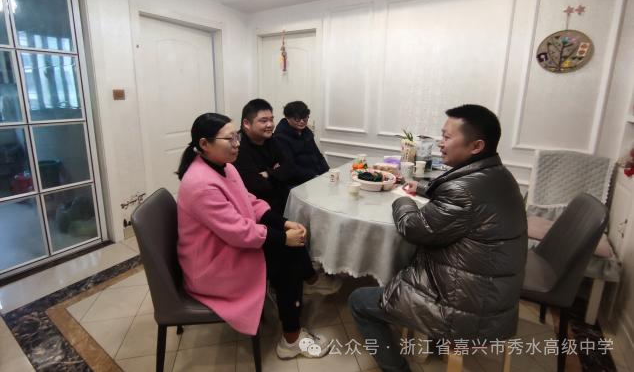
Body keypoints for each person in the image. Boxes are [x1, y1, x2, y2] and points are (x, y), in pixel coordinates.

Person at [348, 104, 528, 372]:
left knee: (359, 301)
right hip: (490, 295)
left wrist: (403, 200)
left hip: (463, 306)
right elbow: (462, 201)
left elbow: (413, 228)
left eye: (447, 137)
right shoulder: (497, 175)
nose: (440, 143)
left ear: (476, 146)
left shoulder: (462, 191)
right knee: (403, 267)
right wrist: (422, 188)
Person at [176, 112, 334, 359]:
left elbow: (249, 201)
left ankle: (301, 294)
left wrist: (283, 223)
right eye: (229, 139)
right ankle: (291, 340)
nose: (237, 144)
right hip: (211, 264)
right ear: (205, 144)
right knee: (287, 257)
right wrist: (283, 238)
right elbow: (238, 231)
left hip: (225, 246)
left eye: (237, 137)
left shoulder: (225, 167)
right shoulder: (200, 184)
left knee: (289, 246)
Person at [234, 99, 294, 215]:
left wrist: (268, 174)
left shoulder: (271, 139)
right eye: (264, 121)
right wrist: (277, 172)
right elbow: (257, 187)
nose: (270, 125)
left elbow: (291, 168)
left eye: (271, 119)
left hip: (280, 202)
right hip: (257, 211)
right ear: (246, 123)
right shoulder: (238, 147)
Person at [273, 100, 329, 186]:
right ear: (287, 117)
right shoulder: (281, 137)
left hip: (315, 177)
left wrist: (327, 171)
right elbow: (290, 167)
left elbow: (317, 154)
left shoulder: (306, 132)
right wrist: (314, 176)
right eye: (297, 119)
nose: (302, 121)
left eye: (305, 118)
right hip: (298, 182)